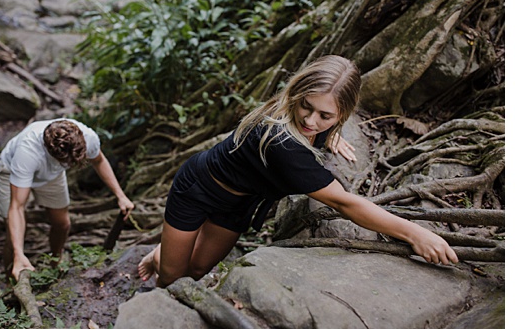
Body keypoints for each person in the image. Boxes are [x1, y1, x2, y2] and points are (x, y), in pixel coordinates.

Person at [136, 55, 458, 288]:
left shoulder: (316, 124)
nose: (310, 121)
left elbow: (319, 122)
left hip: (239, 203)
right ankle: (160, 256)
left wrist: (329, 135)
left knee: (198, 269)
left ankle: (168, 247)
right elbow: (344, 203)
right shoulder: (280, 142)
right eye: (306, 106)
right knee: (171, 278)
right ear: (297, 93)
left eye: (325, 116)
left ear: (341, 114)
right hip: (199, 188)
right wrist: (414, 232)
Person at [0, 118, 135, 280]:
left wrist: (121, 195)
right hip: (11, 171)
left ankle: (55, 263)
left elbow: (99, 161)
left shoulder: (87, 137)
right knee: (12, 234)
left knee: (62, 224)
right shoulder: (28, 152)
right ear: (52, 152)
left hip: (51, 176)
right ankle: (12, 274)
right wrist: (19, 253)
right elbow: (17, 207)